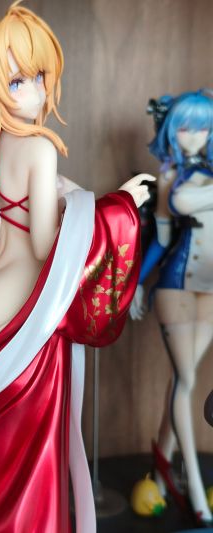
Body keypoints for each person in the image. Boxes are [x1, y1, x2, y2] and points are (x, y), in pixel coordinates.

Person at [0, 3, 154, 532]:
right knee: (12, 462)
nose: (36, 91)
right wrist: (115, 208)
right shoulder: (38, 149)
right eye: (17, 81)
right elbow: (42, 246)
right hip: (14, 297)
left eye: (39, 76)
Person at [131, 90, 213, 524]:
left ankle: (161, 467)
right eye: (185, 127)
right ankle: (196, 492)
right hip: (177, 283)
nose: (194, 136)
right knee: (186, 379)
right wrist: (138, 283)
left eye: (203, 127)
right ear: (170, 130)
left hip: (211, 288)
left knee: (185, 379)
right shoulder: (168, 176)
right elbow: (163, 239)